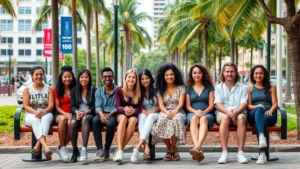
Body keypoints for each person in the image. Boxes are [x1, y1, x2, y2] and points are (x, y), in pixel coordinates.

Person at [214, 62, 248, 164]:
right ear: (223, 73)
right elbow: (218, 103)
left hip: (239, 113)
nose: (229, 74)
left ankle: (240, 153)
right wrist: (228, 112)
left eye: (232, 71)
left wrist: (236, 111)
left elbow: (244, 103)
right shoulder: (218, 87)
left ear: (235, 73)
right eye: (227, 71)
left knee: (241, 118)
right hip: (223, 113)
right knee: (225, 118)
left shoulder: (243, 87)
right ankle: (224, 152)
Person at [151, 63, 186, 161]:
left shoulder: (181, 88)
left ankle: (171, 149)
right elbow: (161, 105)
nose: (169, 77)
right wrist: (166, 112)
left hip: (178, 110)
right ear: (163, 76)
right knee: (161, 120)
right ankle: (171, 148)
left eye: (171, 74)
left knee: (176, 119)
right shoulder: (160, 89)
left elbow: (181, 104)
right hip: (165, 110)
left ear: (175, 75)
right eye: (167, 75)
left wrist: (175, 111)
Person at [247, 65, 278, 164]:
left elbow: (275, 104)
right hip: (254, 113)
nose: (258, 75)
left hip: (268, 114)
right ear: (253, 75)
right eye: (256, 73)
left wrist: (271, 110)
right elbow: (248, 105)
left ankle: (262, 154)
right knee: (259, 110)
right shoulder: (250, 88)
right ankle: (261, 137)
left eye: (261, 73)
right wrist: (258, 107)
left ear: (264, 75)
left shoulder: (271, 88)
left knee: (261, 120)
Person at [23, 66, 54, 160]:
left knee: (46, 118)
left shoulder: (49, 88)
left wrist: (43, 111)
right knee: (36, 120)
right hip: (31, 114)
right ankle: (45, 147)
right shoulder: (27, 89)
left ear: (44, 75)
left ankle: (37, 146)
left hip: (46, 113)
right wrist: (36, 112)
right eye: (36, 74)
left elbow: (51, 106)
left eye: (41, 74)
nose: (39, 76)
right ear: (32, 76)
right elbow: (26, 106)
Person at [185, 64, 215, 163]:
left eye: (199, 73)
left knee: (204, 119)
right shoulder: (188, 88)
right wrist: (195, 112)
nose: (197, 75)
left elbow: (211, 105)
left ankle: (197, 147)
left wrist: (203, 112)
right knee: (193, 119)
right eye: (194, 73)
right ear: (191, 74)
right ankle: (199, 150)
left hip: (207, 113)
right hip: (192, 113)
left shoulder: (209, 87)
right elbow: (188, 106)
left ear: (203, 74)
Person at [114, 69, 143, 163]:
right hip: (121, 114)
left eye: (133, 77)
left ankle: (120, 150)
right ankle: (119, 149)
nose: (131, 79)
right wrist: (124, 109)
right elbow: (117, 106)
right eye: (129, 77)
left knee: (133, 120)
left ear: (136, 79)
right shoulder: (119, 90)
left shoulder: (139, 92)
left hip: (133, 115)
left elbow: (139, 108)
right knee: (123, 118)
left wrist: (134, 110)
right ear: (125, 78)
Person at [131, 69, 160, 163]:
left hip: (156, 113)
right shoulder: (138, 91)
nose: (145, 81)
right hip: (144, 113)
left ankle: (138, 146)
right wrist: (143, 110)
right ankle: (146, 147)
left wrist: (152, 110)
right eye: (142, 79)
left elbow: (161, 106)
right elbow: (138, 106)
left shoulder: (157, 89)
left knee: (150, 117)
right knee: (142, 117)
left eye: (147, 78)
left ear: (150, 79)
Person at [70, 69, 97, 162]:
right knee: (73, 123)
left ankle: (84, 150)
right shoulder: (74, 90)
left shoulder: (94, 90)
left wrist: (85, 112)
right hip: (78, 113)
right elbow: (72, 106)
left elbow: (95, 106)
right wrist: (77, 112)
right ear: (78, 78)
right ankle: (74, 151)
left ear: (89, 78)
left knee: (85, 119)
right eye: (81, 77)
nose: (83, 79)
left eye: (86, 77)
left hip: (89, 114)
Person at [93, 67, 118, 161]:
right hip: (101, 113)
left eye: (110, 76)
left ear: (113, 77)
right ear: (102, 78)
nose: (107, 78)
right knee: (95, 121)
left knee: (111, 124)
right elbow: (98, 106)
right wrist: (101, 115)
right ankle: (99, 150)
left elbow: (118, 106)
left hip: (113, 114)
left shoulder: (119, 90)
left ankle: (107, 148)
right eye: (105, 77)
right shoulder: (98, 91)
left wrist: (110, 114)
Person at [53, 66, 76, 162]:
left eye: (69, 76)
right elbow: (57, 107)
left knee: (71, 123)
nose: (67, 79)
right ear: (61, 78)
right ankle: (62, 148)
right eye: (65, 77)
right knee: (63, 119)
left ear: (72, 77)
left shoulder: (76, 88)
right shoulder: (57, 90)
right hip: (59, 114)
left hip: (72, 114)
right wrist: (65, 114)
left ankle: (60, 148)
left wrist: (71, 114)